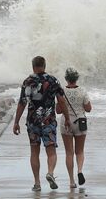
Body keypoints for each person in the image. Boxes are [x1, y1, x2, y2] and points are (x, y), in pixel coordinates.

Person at [13, 56, 71, 191]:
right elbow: (61, 101)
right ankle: (50, 172)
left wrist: (16, 122)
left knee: (34, 152)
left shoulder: (28, 81)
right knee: (51, 151)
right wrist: (67, 118)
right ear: (44, 66)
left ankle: (37, 183)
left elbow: (22, 103)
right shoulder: (52, 80)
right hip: (48, 121)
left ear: (33, 67)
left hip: (33, 122)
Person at [59, 68, 91, 188]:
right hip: (80, 122)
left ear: (66, 79)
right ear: (76, 78)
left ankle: (72, 181)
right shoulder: (82, 90)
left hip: (66, 122)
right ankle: (80, 171)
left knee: (69, 152)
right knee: (80, 151)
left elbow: (58, 110)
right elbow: (88, 108)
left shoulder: (61, 91)